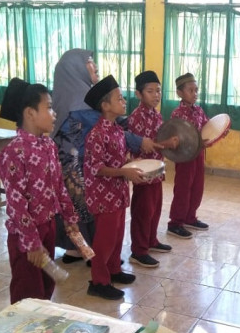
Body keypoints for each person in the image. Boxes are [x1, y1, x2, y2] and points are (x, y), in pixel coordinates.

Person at [51, 49, 162, 264]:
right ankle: (95, 256)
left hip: (85, 163)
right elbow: (110, 128)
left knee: (82, 211)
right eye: (90, 63)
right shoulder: (79, 101)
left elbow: (115, 125)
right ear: (75, 68)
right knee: (83, 210)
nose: (95, 66)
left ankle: (81, 251)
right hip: (79, 167)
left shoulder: (81, 93)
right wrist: (139, 141)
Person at [0, 78, 80, 304]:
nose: (54, 113)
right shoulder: (13, 152)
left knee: (45, 285)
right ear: (30, 113)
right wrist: (32, 242)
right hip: (25, 235)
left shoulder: (49, 145)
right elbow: (16, 204)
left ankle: (40, 332)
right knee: (27, 291)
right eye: (49, 107)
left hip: (48, 224)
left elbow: (58, 186)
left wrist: (69, 216)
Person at [84, 75, 144, 300]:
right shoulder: (96, 134)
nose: (124, 101)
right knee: (105, 239)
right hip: (103, 195)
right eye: (119, 98)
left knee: (118, 234)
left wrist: (130, 166)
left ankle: (113, 270)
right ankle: (98, 281)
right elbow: (96, 168)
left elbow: (119, 161)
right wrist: (123, 171)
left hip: (117, 193)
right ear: (105, 106)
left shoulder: (117, 130)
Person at [127, 71, 172, 268]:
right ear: (138, 94)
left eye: (158, 91)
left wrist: (169, 143)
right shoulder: (136, 117)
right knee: (142, 211)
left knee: (154, 209)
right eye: (150, 91)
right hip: (143, 174)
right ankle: (139, 250)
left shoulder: (156, 114)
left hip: (157, 173)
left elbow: (156, 140)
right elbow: (143, 146)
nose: (156, 95)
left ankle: (151, 240)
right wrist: (165, 144)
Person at [167, 73, 210, 239]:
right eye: (190, 90)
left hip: (198, 155)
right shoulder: (177, 114)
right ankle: (175, 223)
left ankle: (190, 217)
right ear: (179, 93)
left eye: (196, 90)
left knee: (197, 187)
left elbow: (207, 127)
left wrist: (216, 132)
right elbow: (176, 138)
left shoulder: (198, 110)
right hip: (184, 158)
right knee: (183, 189)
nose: (195, 93)